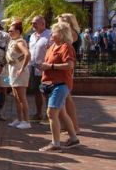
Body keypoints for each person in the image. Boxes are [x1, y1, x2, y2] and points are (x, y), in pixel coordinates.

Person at [35, 23, 80, 152]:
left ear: (61, 34)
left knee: (51, 113)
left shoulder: (66, 47)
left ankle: (56, 144)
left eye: (53, 32)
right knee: (61, 113)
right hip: (50, 83)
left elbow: (69, 65)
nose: (51, 34)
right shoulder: (52, 46)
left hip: (60, 84)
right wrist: (44, 66)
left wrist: (51, 67)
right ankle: (73, 138)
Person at [56, 13, 81, 133]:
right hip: (65, 66)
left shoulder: (73, 33)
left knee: (67, 98)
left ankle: (75, 127)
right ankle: (68, 125)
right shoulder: (70, 32)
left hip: (67, 67)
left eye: (60, 21)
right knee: (65, 99)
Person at [5, 20, 31, 129]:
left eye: (11, 30)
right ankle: (20, 119)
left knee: (22, 98)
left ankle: (26, 121)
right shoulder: (12, 41)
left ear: (18, 31)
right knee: (16, 97)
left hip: (20, 73)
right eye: (8, 30)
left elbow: (27, 54)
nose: (9, 32)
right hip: (13, 71)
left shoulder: (19, 42)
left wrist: (22, 68)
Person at [27, 15, 51, 122]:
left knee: (46, 92)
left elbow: (52, 51)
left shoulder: (50, 34)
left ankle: (48, 115)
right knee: (36, 91)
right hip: (33, 68)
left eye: (35, 23)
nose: (33, 25)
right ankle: (38, 114)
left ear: (43, 23)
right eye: (32, 23)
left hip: (45, 69)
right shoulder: (32, 36)